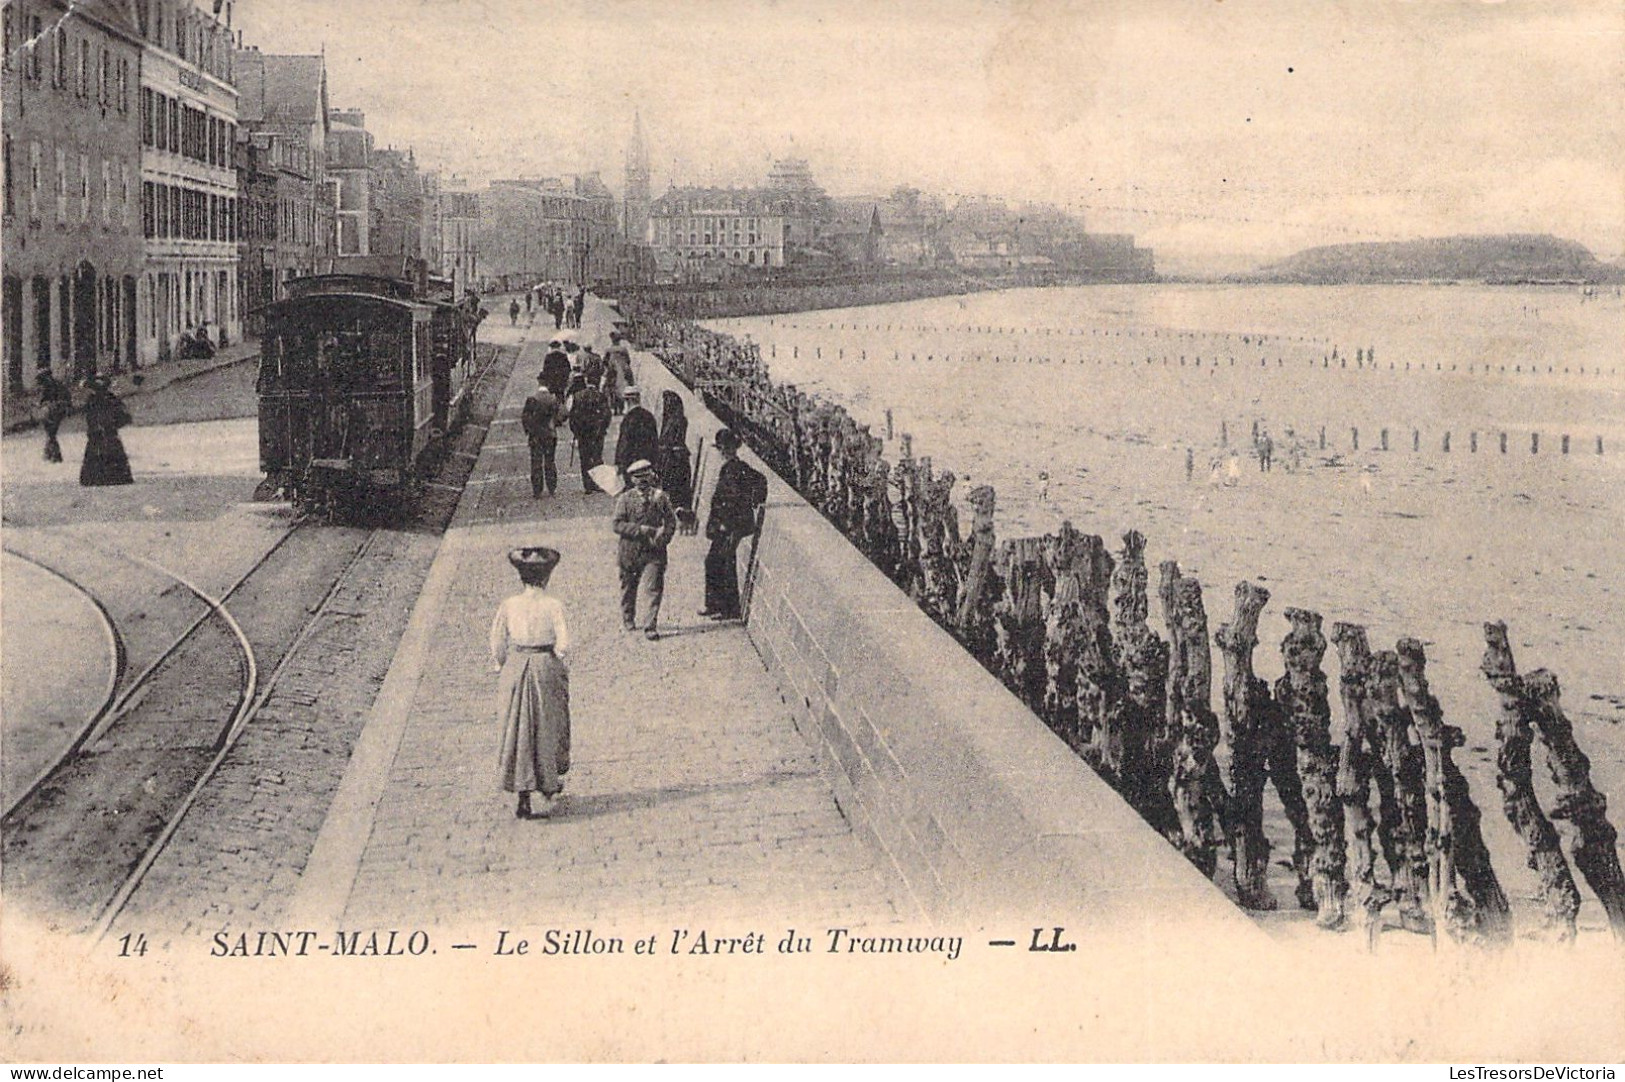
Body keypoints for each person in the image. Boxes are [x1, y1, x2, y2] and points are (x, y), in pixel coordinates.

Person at [490, 546, 571, 820]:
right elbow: (564, 643)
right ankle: (548, 783)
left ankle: (523, 796)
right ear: (547, 578)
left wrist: (503, 664)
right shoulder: (553, 605)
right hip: (544, 664)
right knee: (548, 725)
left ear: (521, 578)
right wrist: (556, 660)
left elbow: (497, 642)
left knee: (517, 729)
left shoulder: (509, 604)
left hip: (516, 664)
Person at [699, 429, 766, 621]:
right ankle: (715, 605)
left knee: (724, 562)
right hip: (727, 525)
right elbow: (761, 481)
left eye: (721, 448)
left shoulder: (733, 469)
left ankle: (728, 609)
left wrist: (725, 523)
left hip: (730, 526)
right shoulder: (735, 467)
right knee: (714, 561)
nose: (721, 452)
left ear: (726, 449)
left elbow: (731, 499)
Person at [612, 460, 677, 640]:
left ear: (651, 476)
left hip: (653, 552)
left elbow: (671, 522)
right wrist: (640, 530)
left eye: (645, 476)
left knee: (653, 587)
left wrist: (663, 539)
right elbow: (617, 524)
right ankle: (628, 617)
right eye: (638, 478)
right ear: (632, 480)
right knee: (628, 588)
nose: (642, 481)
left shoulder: (660, 498)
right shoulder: (625, 499)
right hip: (630, 551)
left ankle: (650, 625)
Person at [79, 375, 134, 486]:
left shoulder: (95, 399)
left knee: (98, 453)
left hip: (100, 433)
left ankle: (98, 478)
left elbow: (90, 416)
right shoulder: (108, 398)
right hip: (106, 433)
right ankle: (114, 477)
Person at [655, 390, 694, 531]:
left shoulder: (672, 421)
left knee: (673, 487)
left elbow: (669, 441)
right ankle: (680, 512)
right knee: (680, 488)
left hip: (672, 460)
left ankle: (677, 512)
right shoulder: (680, 419)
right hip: (679, 459)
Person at [521, 373, 563, 497]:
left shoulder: (532, 399)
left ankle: (537, 490)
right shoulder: (553, 399)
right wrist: (555, 422)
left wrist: (529, 430)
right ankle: (551, 487)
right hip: (550, 434)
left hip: (535, 436)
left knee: (536, 463)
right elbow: (563, 414)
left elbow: (525, 418)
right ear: (548, 384)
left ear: (538, 382)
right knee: (550, 461)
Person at [566, 376, 611, 493]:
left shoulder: (578, 396)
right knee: (597, 457)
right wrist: (603, 429)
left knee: (584, 458)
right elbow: (607, 415)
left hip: (583, 434)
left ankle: (587, 486)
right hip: (597, 433)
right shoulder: (601, 396)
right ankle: (598, 483)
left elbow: (573, 417)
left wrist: (575, 432)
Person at [613, 402, 659, 478]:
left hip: (631, 463)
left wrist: (619, 464)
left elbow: (623, 444)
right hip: (648, 461)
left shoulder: (628, 418)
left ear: (628, 401)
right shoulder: (649, 416)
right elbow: (655, 441)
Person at [37, 370, 73, 464]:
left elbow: (67, 397)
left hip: (55, 411)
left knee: (51, 432)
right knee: (51, 432)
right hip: (53, 411)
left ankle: (53, 455)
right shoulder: (53, 385)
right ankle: (50, 454)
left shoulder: (53, 386)